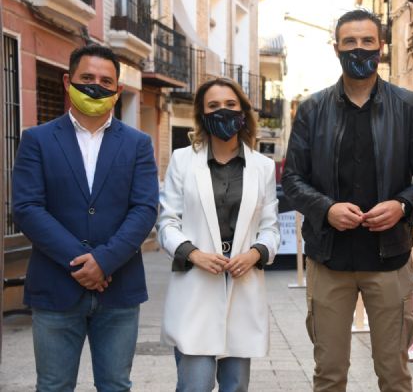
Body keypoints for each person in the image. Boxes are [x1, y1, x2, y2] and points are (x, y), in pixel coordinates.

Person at [282, 9, 413, 392]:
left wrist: (402, 205)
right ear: (336, 48)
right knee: (329, 375)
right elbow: (292, 179)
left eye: (367, 41)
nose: (359, 49)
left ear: (381, 46)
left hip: (390, 259)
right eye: (349, 42)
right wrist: (326, 209)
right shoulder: (312, 109)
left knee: (394, 374)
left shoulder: (407, 106)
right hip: (329, 259)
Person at [12, 44, 159, 391]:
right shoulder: (37, 140)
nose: (96, 86)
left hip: (119, 287)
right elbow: (27, 207)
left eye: (106, 81)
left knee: (116, 385)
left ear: (117, 90)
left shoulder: (138, 144)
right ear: (68, 81)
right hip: (55, 286)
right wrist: (82, 262)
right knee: (53, 386)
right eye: (87, 78)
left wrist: (104, 261)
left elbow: (144, 209)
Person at [157, 77, 280, 392]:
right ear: (202, 114)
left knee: (236, 385)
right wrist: (193, 253)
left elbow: (270, 227)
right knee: (195, 385)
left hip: (242, 283)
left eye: (230, 104)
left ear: (243, 112)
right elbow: (167, 222)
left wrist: (255, 254)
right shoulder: (183, 160)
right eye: (213, 106)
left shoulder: (263, 167)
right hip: (196, 284)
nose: (222, 111)